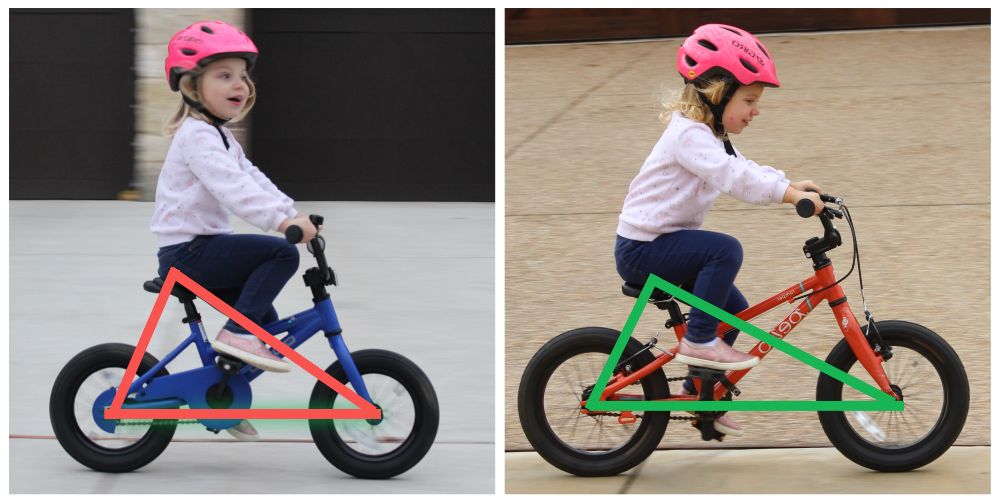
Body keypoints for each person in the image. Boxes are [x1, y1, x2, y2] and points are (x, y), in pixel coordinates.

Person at [614, 23, 823, 437]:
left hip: (663, 244)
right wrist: (784, 194)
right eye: (748, 99)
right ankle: (698, 342)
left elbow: (743, 167)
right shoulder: (689, 136)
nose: (755, 110)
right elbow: (732, 178)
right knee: (724, 251)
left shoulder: (710, 133)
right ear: (717, 92)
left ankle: (701, 394)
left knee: (734, 314)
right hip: (643, 249)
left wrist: (789, 184)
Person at [151, 20, 319, 441]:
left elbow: (253, 179)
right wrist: (282, 226)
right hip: (188, 252)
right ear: (192, 86)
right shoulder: (198, 139)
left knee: (266, 324)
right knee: (280, 255)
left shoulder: (220, 137)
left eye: (242, 76)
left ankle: (222, 396)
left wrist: (293, 214)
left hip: (202, 249)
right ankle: (236, 338)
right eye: (224, 75)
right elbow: (233, 190)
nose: (239, 84)